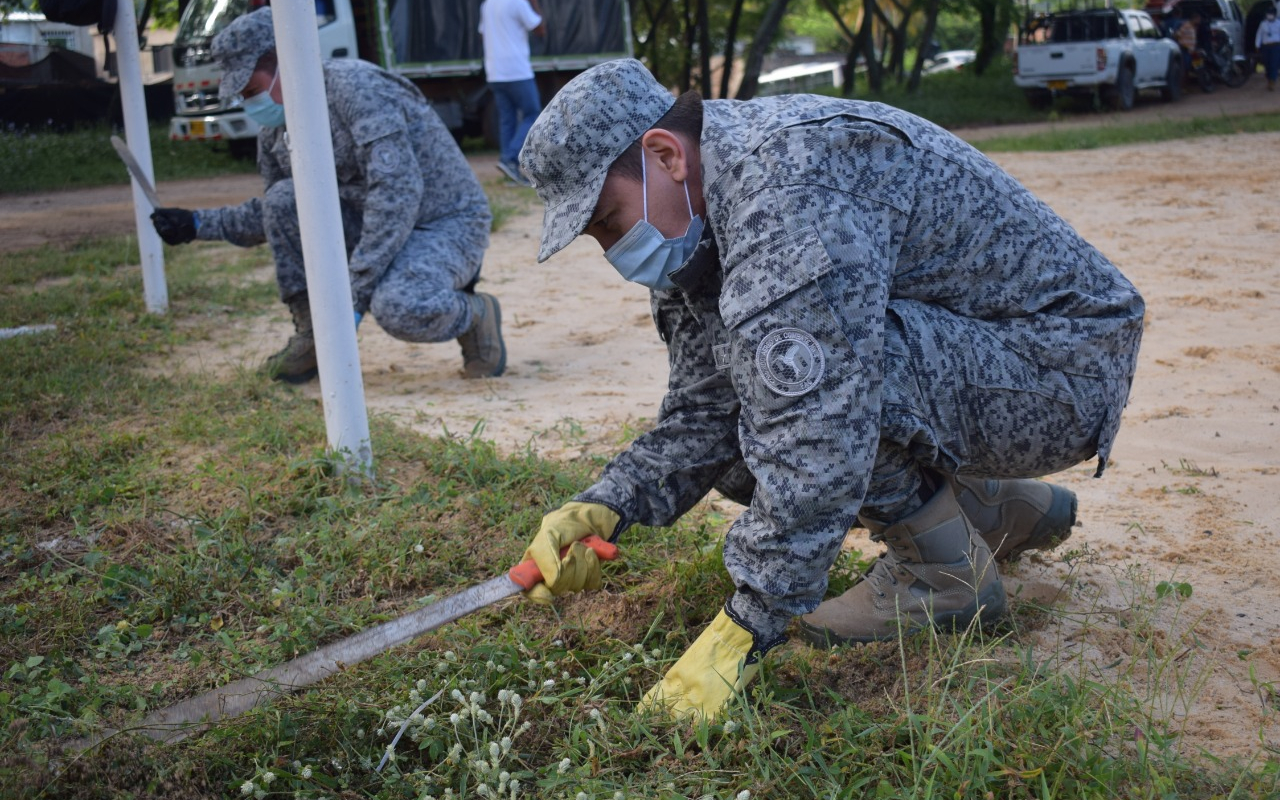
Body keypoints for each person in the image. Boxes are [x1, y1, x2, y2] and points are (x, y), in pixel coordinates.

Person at [516, 60, 1144, 722]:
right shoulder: (703, 217)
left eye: (609, 220)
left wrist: (748, 622)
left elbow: (816, 424)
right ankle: (984, 512)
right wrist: (611, 504)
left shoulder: (783, 188)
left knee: (807, 382)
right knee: (757, 402)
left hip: (1062, 370)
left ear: (666, 154)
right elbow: (706, 407)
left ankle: (943, 579)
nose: (614, 250)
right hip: (993, 367)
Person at [150, 8, 506, 383]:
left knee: (399, 306)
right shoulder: (276, 131)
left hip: (443, 224)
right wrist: (196, 224)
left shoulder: (357, 89)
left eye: (251, 89)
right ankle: (313, 336)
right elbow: (278, 212)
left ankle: (475, 315)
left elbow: (397, 194)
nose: (246, 100)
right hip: (370, 224)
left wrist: (354, 294)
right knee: (286, 198)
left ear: (286, 63)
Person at [479, 0, 546, 186]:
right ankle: (510, 158)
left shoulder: (487, 5)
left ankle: (509, 168)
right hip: (517, 70)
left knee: (507, 119)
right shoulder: (517, 2)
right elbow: (539, 29)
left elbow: (483, 35)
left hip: (494, 71)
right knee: (532, 114)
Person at [1256, 4, 1280, 91]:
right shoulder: (1263, 24)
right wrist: (1257, 45)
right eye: (1268, 14)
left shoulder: (1279, 23)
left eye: (1271, 14)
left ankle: (1272, 81)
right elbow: (1259, 34)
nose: (1269, 15)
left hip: (1276, 46)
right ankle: (1269, 77)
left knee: (1274, 64)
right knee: (1267, 64)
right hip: (1266, 46)